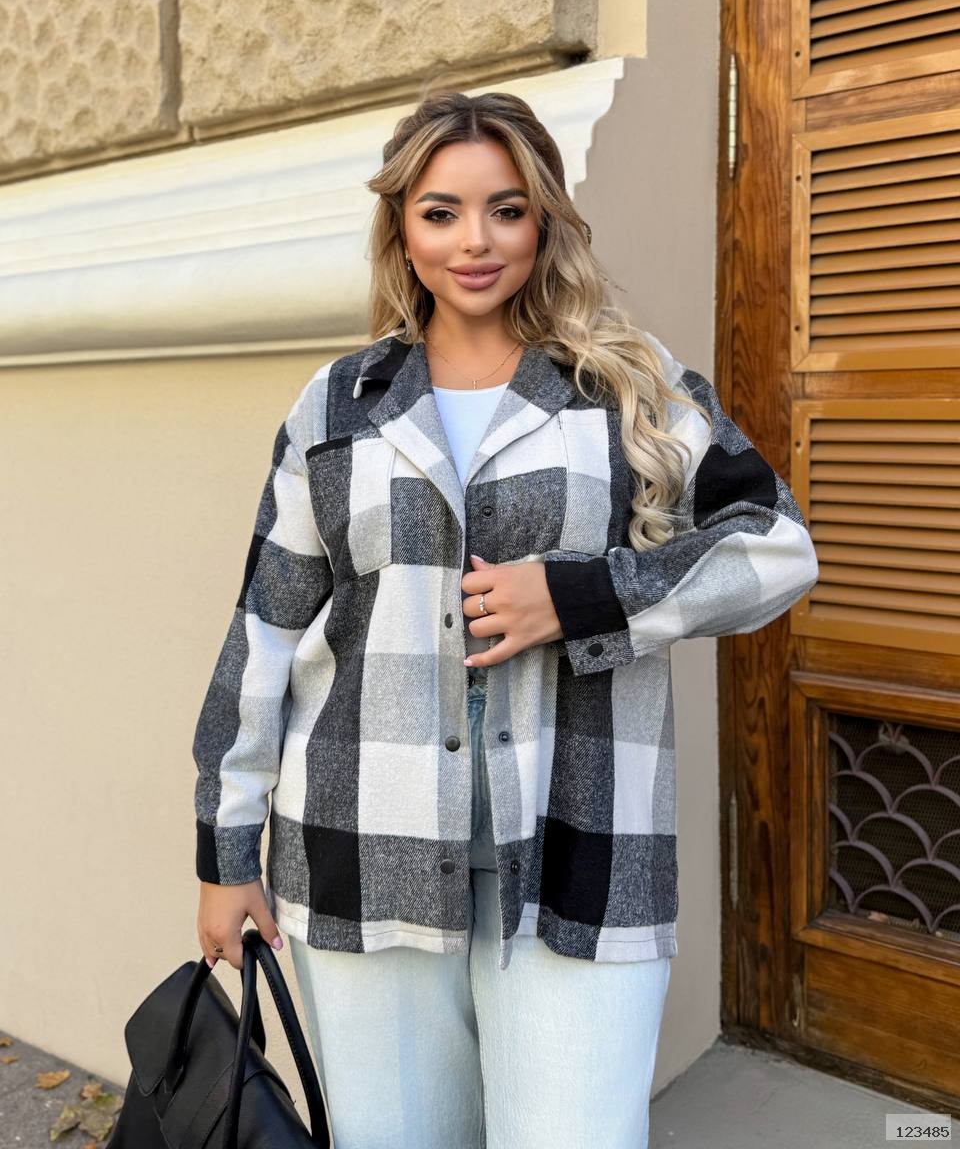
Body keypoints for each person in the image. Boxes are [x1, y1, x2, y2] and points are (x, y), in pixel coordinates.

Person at [192, 88, 820, 1148]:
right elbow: (264, 631)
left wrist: (582, 596)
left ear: (545, 221)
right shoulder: (336, 405)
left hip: (583, 852)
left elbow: (776, 547)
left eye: (507, 209)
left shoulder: (627, 384)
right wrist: (225, 853)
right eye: (441, 212)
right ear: (402, 228)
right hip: (360, 850)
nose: (474, 241)